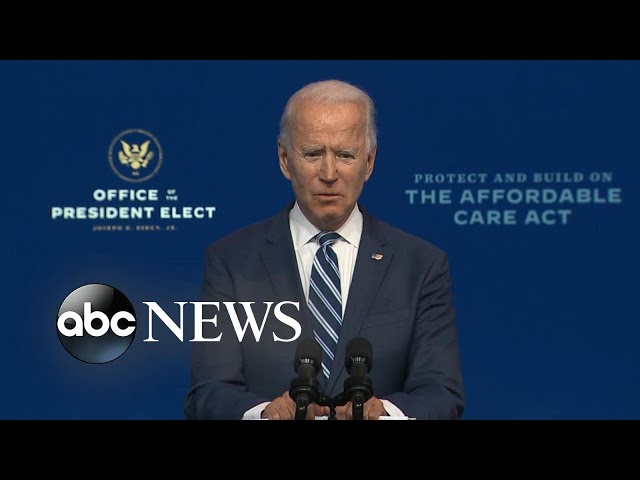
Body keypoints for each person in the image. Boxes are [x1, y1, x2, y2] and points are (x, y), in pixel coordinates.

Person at [184, 79, 464, 420]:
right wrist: (264, 414)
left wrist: (386, 414)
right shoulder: (230, 261)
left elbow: (440, 392)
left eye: (345, 155)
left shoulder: (421, 265)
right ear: (285, 159)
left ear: (369, 162)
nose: (329, 173)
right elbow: (208, 392)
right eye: (313, 154)